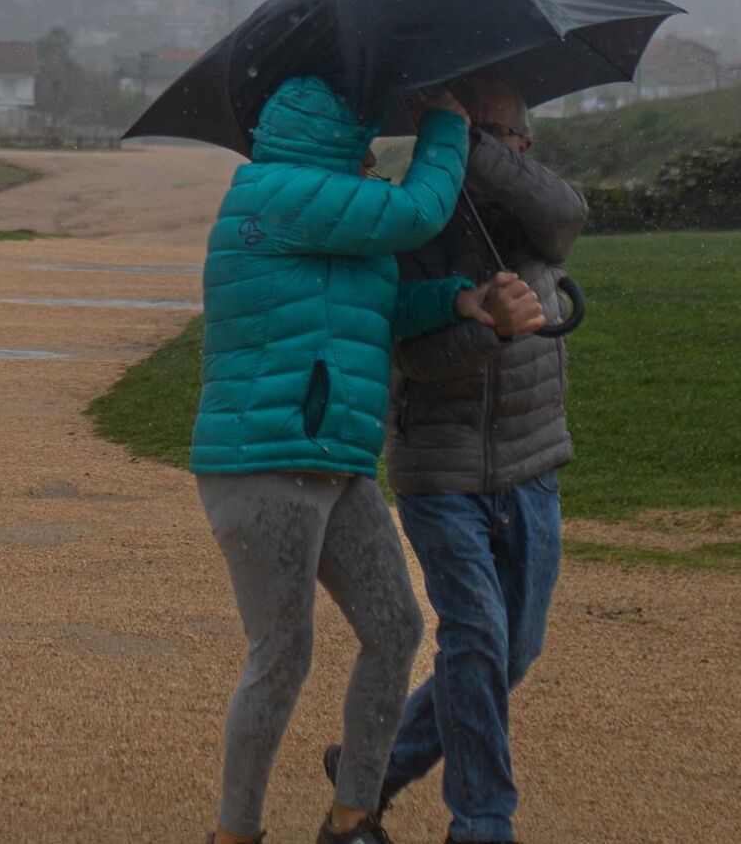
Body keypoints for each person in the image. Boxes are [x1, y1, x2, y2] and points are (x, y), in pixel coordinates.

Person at [192, 74, 543, 844]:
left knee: (394, 626)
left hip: (334, 461)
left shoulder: (327, 212)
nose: (373, 154)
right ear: (327, 141)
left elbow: (377, 302)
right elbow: (417, 212)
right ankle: (234, 833)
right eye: (362, 141)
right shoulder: (273, 194)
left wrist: (458, 300)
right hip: (262, 461)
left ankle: (351, 818)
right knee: (283, 652)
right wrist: (446, 125)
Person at [324, 74, 587, 844]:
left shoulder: (534, 215)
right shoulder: (411, 217)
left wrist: (471, 144)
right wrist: (489, 328)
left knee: (514, 649)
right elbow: (414, 356)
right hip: (438, 469)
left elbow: (568, 216)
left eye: (489, 134)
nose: (465, 149)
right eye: (454, 133)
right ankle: (482, 821)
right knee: (475, 636)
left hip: (530, 460)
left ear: (519, 145)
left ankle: (369, 769)